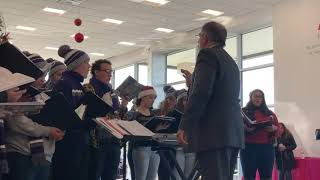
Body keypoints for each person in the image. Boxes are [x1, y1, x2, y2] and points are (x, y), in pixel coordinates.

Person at [177, 21, 244, 180]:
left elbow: (201, 93)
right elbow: (219, 92)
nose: (199, 40)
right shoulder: (230, 61)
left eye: (199, 36)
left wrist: (185, 125)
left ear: (205, 38)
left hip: (213, 132)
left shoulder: (207, 54)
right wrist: (193, 83)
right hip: (231, 132)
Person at [4, 53, 64, 180]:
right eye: (39, 75)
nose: (43, 79)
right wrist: (48, 130)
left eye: (44, 75)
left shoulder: (44, 96)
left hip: (44, 154)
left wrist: (60, 127)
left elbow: (54, 117)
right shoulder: (15, 94)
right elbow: (17, 123)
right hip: (21, 153)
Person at [51, 45, 95, 180]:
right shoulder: (65, 84)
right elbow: (68, 114)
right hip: (70, 141)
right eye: (86, 62)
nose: (89, 66)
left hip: (79, 138)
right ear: (77, 64)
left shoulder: (77, 85)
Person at [86, 59, 128, 180]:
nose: (110, 74)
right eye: (107, 71)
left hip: (114, 139)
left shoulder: (112, 91)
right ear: (96, 72)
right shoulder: (88, 89)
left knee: (111, 175)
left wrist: (124, 105)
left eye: (111, 71)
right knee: (94, 174)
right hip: (97, 140)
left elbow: (117, 115)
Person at [126, 86, 166, 180]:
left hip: (153, 149)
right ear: (142, 98)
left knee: (152, 177)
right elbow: (131, 131)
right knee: (140, 177)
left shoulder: (153, 114)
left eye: (154, 98)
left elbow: (152, 131)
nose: (152, 100)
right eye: (150, 97)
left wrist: (159, 128)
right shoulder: (134, 113)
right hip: (140, 148)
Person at [240, 89, 279, 180]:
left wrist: (274, 129)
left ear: (263, 99)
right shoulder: (243, 112)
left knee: (266, 177)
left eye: (260, 96)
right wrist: (245, 128)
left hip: (266, 148)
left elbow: (279, 129)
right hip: (248, 148)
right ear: (251, 98)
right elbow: (235, 128)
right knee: (248, 177)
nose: (258, 98)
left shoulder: (270, 113)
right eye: (255, 96)